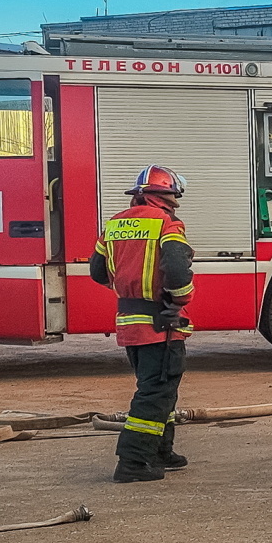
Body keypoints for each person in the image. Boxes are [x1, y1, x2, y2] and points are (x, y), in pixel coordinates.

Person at [90, 165, 195, 484]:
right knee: (154, 392)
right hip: (160, 323)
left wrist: (129, 288)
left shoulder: (115, 223)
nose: (176, 201)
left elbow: (97, 271)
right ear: (167, 193)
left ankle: (160, 451)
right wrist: (179, 300)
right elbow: (177, 269)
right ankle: (133, 462)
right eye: (174, 195)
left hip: (129, 322)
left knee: (163, 391)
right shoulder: (167, 223)